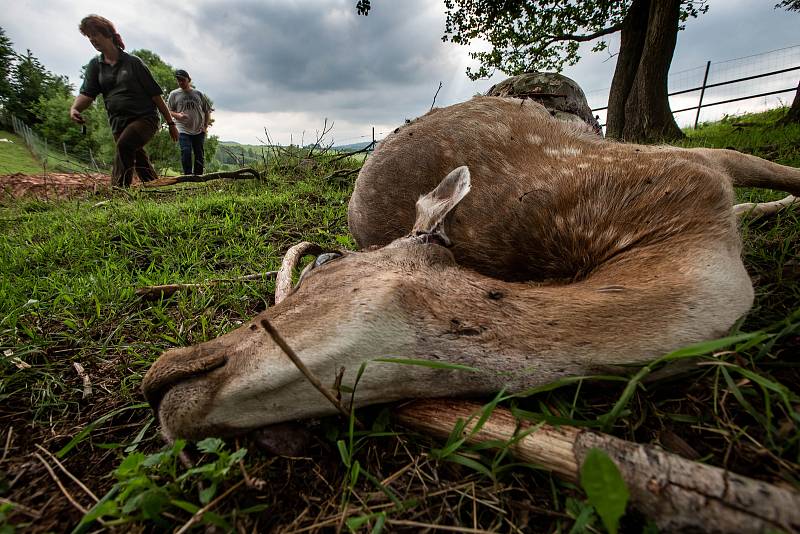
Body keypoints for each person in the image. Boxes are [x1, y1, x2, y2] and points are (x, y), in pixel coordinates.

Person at [69, 15, 178, 187]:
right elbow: (87, 94)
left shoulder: (133, 63)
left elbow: (156, 95)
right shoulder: (95, 66)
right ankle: (155, 186)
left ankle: (118, 192)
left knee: (125, 145)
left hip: (145, 119)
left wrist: (171, 124)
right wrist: (75, 109)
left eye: (94, 34)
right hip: (118, 123)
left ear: (108, 34)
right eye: (88, 36)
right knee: (137, 157)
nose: (92, 39)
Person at [167, 69, 212, 176]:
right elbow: (168, 111)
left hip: (198, 129)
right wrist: (177, 115)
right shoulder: (174, 94)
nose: (181, 82)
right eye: (178, 80)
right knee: (186, 151)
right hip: (182, 129)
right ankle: (188, 175)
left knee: (199, 154)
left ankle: (198, 176)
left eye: (183, 80)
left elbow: (207, 111)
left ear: (189, 80)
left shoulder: (198, 94)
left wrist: (205, 126)